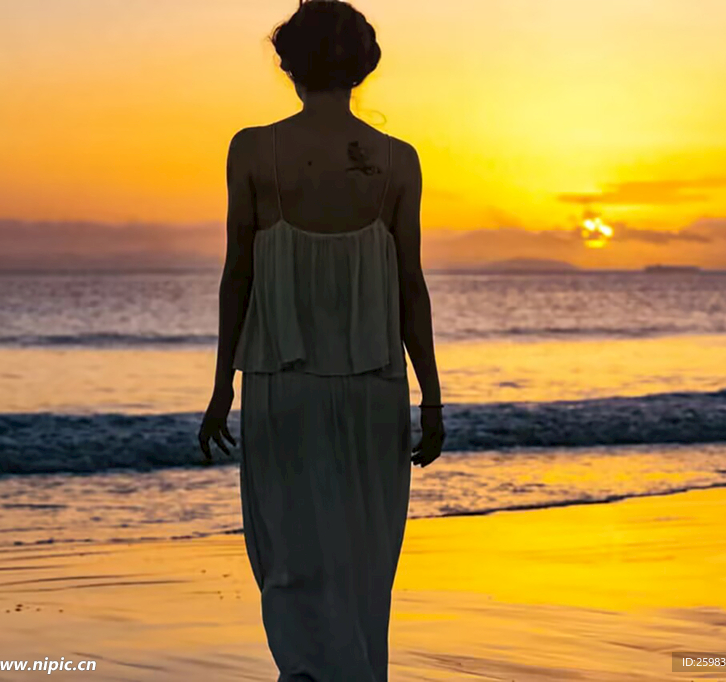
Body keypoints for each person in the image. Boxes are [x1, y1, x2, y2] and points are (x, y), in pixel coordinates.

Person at [197, 1, 445, 679]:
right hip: (374, 387)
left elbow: (237, 276)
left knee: (289, 556)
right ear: (364, 65)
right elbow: (410, 291)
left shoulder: (253, 149)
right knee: (365, 561)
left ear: (289, 64)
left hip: (283, 384)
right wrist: (432, 396)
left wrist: (222, 387)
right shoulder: (397, 162)